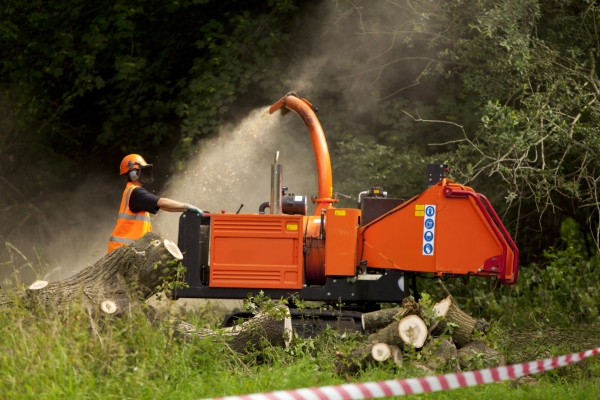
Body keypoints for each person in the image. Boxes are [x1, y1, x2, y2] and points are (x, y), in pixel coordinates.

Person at [107, 154, 203, 253]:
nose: (145, 173)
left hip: (125, 250)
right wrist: (186, 206)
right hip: (123, 251)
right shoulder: (136, 193)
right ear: (133, 174)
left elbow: (164, 206)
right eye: (142, 170)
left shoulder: (132, 191)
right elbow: (162, 202)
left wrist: (186, 209)